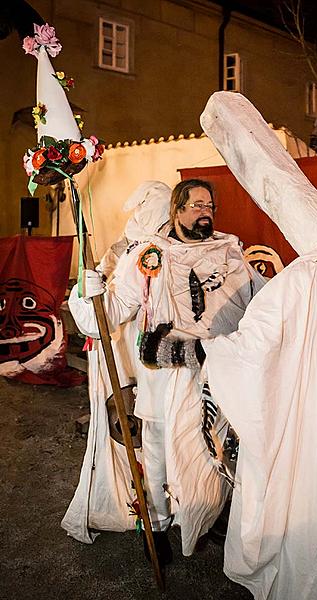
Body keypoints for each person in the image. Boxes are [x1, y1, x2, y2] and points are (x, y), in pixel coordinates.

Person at [138, 91, 317, 598]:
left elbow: (254, 349)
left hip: (304, 418)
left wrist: (206, 350)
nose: (207, 212)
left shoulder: (306, 278)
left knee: (307, 512)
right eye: (197, 205)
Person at [67, 178, 265, 564]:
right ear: (177, 211)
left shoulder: (229, 252)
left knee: (217, 452)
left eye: (210, 205)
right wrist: (86, 296)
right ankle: (155, 526)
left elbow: (260, 302)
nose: (206, 212)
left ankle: (211, 515)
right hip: (165, 375)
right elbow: (112, 313)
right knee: (157, 455)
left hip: (216, 373)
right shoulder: (148, 256)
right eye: (197, 205)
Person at [62, 181, 172, 544]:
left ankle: (160, 512)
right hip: (126, 358)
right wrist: (89, 291)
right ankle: (146, 507)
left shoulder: (156, 251)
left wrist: (91, 297)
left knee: (153, 435)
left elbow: (109, 312)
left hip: (149, 359)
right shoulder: (130, 250)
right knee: (132, 433)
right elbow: (107, 309)